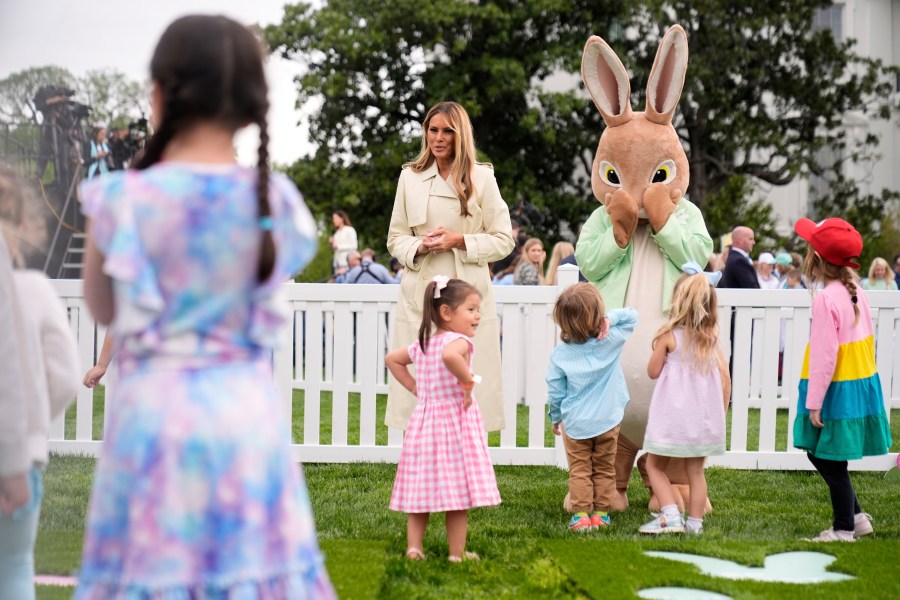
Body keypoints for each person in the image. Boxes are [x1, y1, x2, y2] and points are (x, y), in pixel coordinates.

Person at [75, 15, 334, 597]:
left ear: (160, 94)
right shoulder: (276, 202)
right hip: (244, 419)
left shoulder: (120, 200)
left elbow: (102, 305)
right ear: (250, 108)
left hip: (151, 422)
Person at [386, 101, 514, 432]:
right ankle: (422, 457)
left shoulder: (482, 178)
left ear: (460, 136)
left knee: (467, 384)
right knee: (422, 382)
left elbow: (503, 240)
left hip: (466, 294)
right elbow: (395, 238)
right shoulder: (409, 178)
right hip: (422, 296)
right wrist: (420, 246)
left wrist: (459, 240)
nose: (439, 138)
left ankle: (467, 454)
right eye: (433, 130)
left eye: (447, 131)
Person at [0, 166, 80, 600]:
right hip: (19, 461)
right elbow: (66, 377)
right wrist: (32, 421)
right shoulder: (34, 290)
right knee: (14, 569)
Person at [385, 276, 501, 561]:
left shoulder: (424, 343)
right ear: (447, 313)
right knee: (458, 493)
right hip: (454, 424)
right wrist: (467, 381)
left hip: (425, 424)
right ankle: (456, 554)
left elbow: (392, 359)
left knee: (420, 489)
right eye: (471, 309)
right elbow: (451, 356)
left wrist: (414, 386)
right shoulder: (456, 341)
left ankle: (415, 547)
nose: (478, 315)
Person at [792, 217, 892, 542]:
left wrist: (815, 402)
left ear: (817, 259)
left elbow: (824, 357)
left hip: (834, 389)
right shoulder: (855, 292)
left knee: (824, 455)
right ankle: (858, 517)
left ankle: (843, 528)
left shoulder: (826, 299)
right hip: (855, 385)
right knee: (828, 454)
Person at [640, 266, 729, 535]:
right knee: (696, 473)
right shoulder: (711, 341)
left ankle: (670, 515)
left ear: (677, 301)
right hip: (701, 419)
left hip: (673, 419)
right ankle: (695, 524)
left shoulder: (668, 337)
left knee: (654, 465)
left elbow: (652, 372)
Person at [546, 283, 637, 531]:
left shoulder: (560, 355)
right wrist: (610, 318)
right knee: (606, 468)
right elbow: (632, 316)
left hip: (576, 424)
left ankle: (581, 516)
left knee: (580, 470)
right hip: (608, 419)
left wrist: (555, 416)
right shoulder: (612, 340)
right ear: (598, 314)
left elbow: (555, 390)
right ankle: (601, 514)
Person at [329, 209, 358, 275]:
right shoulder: (336, 233)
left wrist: (338, 246)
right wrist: (331, 244)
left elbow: (354, 246)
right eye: (333, 219)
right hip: (337, 264)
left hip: (347, 264)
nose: (334, 221)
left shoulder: (350, 230)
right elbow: (335, 249)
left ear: (342, 219)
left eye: (335, 218)